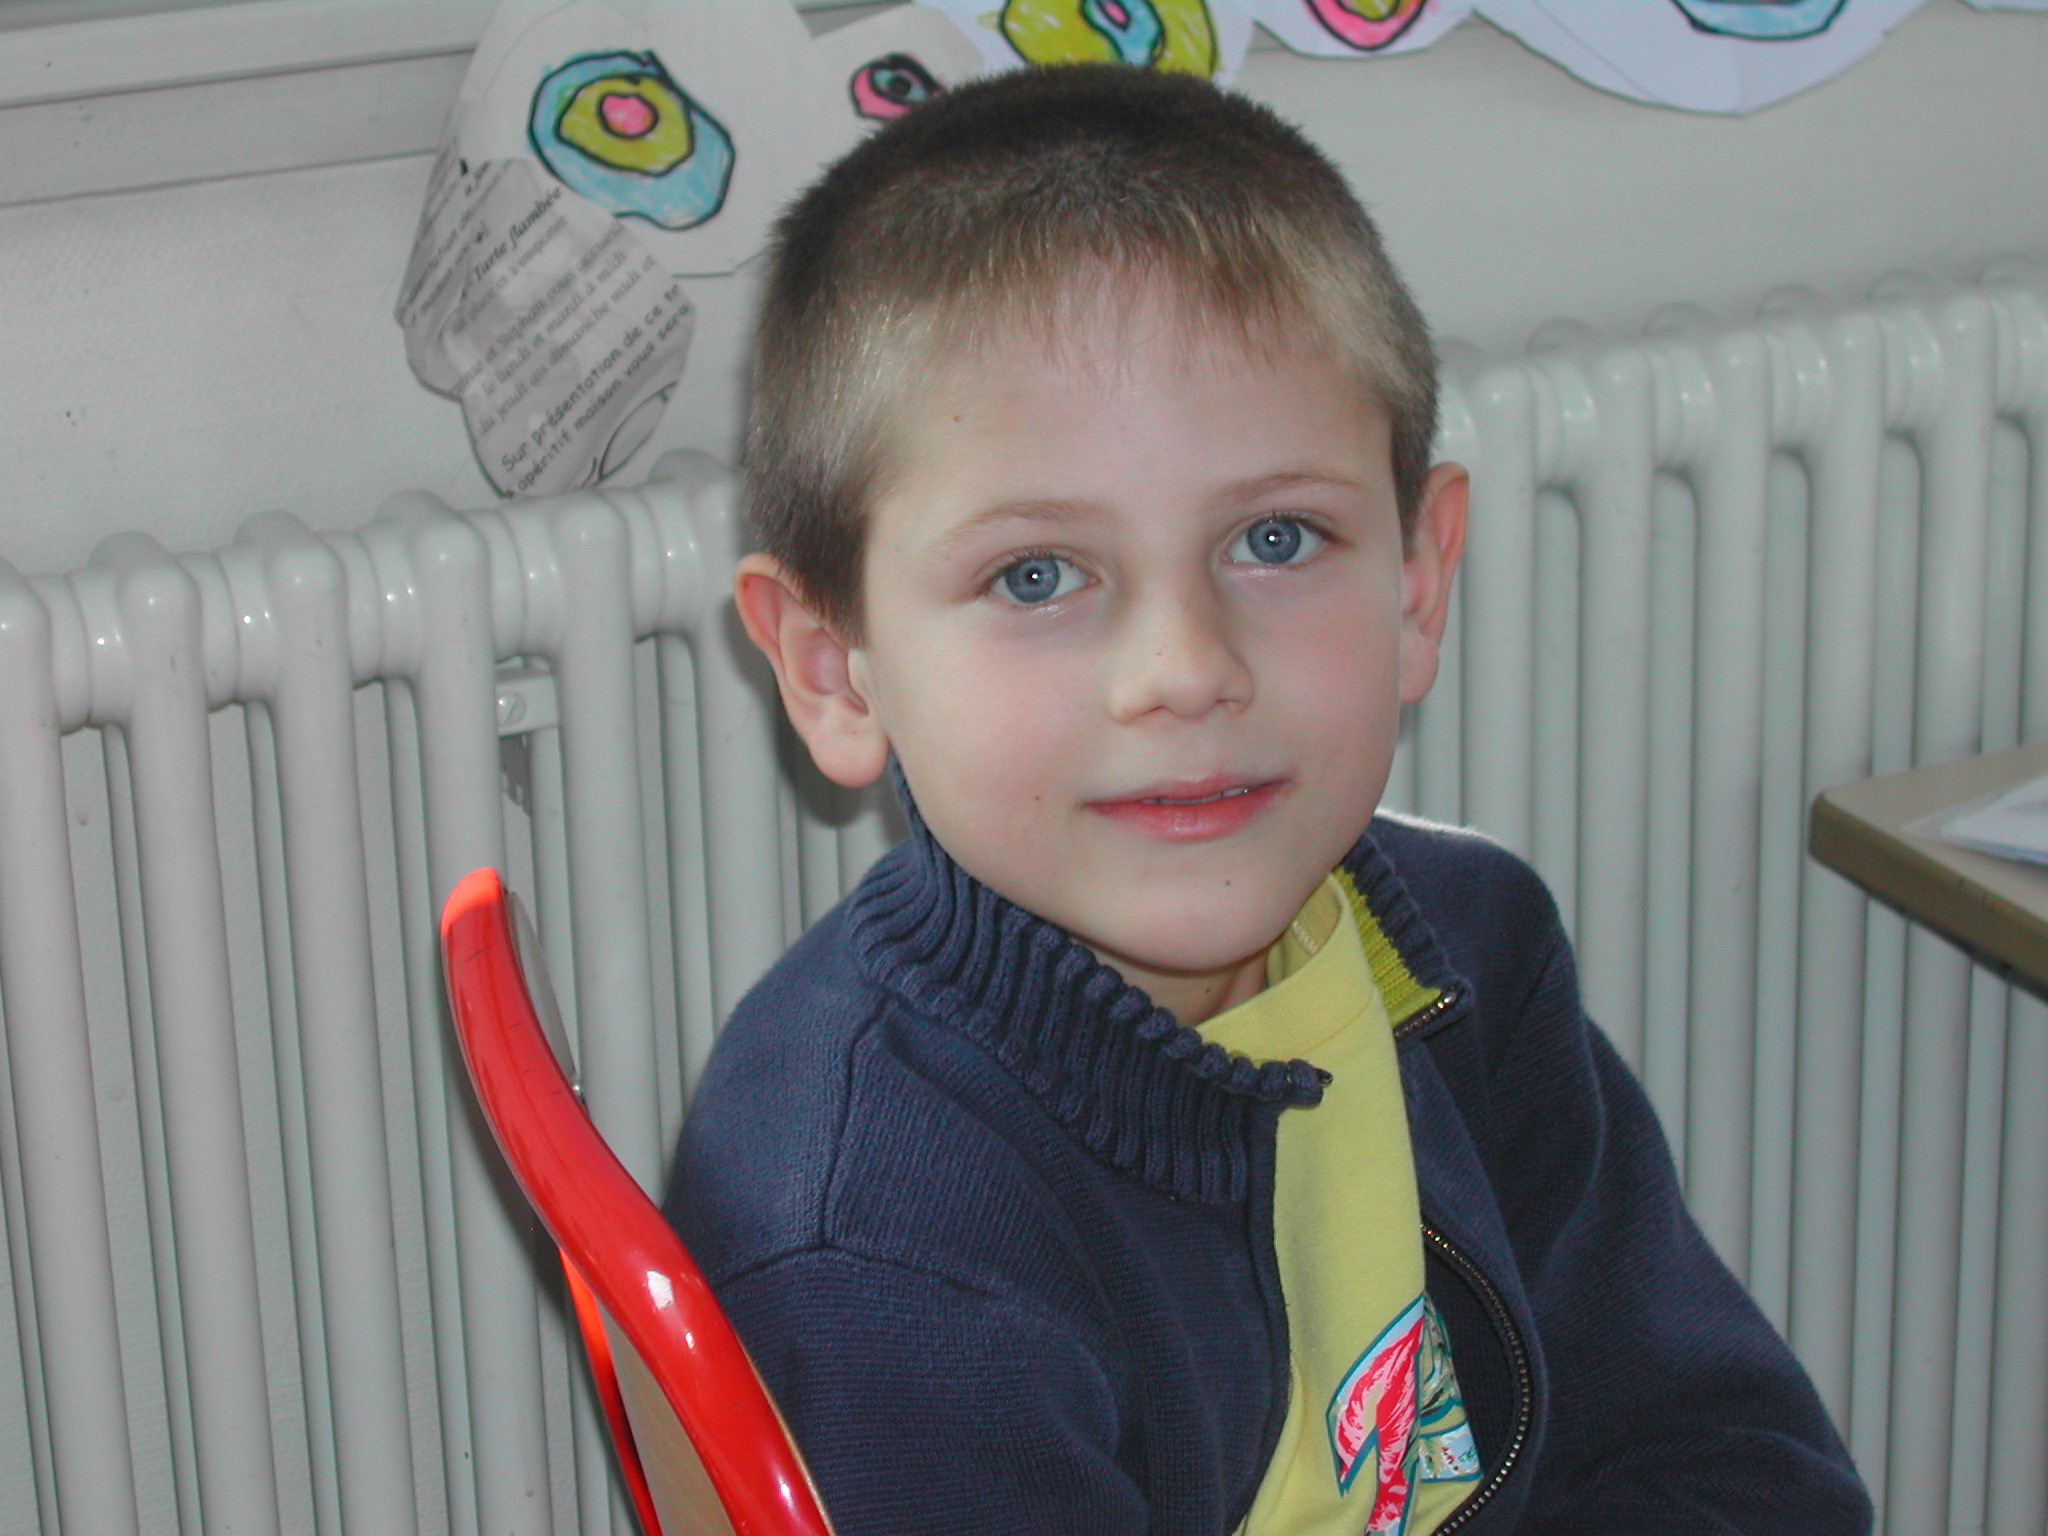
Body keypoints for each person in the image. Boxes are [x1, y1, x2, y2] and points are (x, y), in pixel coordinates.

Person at [662, 62, 1868, 1535]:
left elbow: (1744, 1465)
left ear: (1417, 584)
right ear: (833, 669)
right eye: (1035, 575)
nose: (1184, 670)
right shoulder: (883, 1247)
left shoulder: (1471, 948)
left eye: (1277, 538)